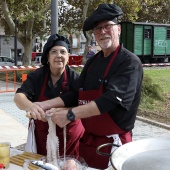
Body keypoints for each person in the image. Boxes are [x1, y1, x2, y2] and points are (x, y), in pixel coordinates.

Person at [33, 3, 143, 169]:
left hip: (113, 147)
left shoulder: (129, 62)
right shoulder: (93, 63)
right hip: (88, 145)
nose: (102, 32)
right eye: (97, 29)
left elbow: (110, 100)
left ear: (118, 29)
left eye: (107, 26)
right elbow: (75, 94)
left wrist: (70, 115)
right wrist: (44, 104)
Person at [13, 34, 85, 157]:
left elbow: (84, 106)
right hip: (42, 137)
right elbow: (19, 97)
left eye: (63, 52)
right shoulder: (38, 76)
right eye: (54, 52)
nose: (59, 55)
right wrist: (30, 106)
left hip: (70, 138)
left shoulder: (76, 79)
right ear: (47, 56)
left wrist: (65, 111)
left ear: (68, 56)